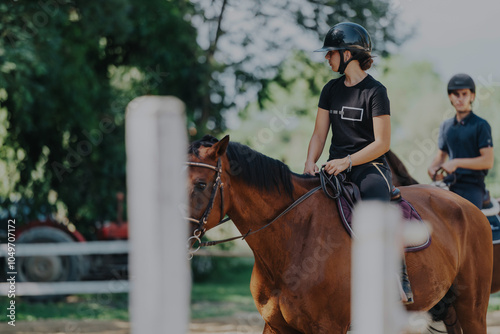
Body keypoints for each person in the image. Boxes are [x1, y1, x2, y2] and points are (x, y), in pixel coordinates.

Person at [303, 22, 413, 304]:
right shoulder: (330, 89)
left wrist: (347, 161)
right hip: (333, 168)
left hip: (370, 169)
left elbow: (382, 143)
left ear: (348, 54)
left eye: (331, 53)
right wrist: (309, 161)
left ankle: (398, 276)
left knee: (377, 212)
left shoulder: (376, 91)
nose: (327, 58)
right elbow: (319, 133)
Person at [428, 74, 494, 209]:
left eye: (464, 94)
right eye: (456, 94)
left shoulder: (481, 125)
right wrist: (432, 168)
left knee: (469, 220)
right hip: (449, 183)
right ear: (450, 97)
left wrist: (456, 163)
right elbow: (441, 156)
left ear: (472, 96)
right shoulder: (446, 126)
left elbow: (488, 161)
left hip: (472, 186)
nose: (460, 98)